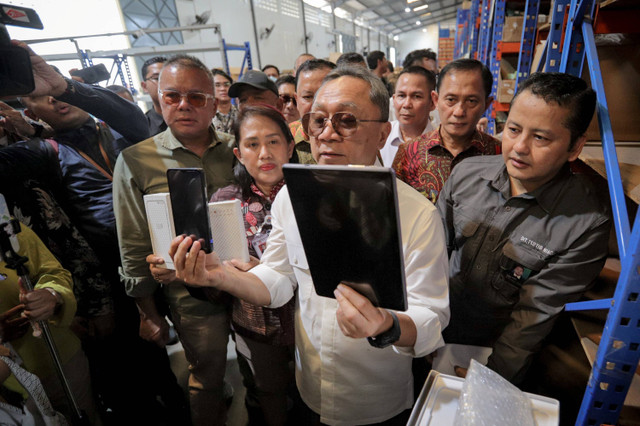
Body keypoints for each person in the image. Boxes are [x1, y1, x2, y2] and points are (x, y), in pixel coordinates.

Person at [170, 65, 449, 425]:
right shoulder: (291, 198)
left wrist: (386, 325)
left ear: (382, 133)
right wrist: (218, 276)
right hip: (311, 382)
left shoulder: (416, 214)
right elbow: (278, 278)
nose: (327, 134)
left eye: (346, 120)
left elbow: (433, 317)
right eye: (318, 121)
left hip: (374, 395)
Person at [9, 41, 188, 425]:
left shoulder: (119, 131)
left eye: (58, 92)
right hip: (109, 286)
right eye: (41, 97)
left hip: (165, 264)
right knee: (125, 380)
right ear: (28, 111)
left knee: (163, 367)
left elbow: (134, 117)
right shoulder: (46, 151)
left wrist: (63, 86)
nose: (55, 101)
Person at [436, 72, 610, 385]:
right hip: (434, 325)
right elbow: (431, 255)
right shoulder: (466, 175)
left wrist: (492, 377)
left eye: (540, 138)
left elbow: (532, 316)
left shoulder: (585, 224)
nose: (519, 147)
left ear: (574, 147)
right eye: (513, 129)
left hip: (491, 349)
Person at [113, 54, 236, 426]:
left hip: (250, 282)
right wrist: (147, 312)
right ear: (157, 99)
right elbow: (133, 243)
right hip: (189, 294)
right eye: (172, 96)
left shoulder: (239, 148)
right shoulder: (136, 160)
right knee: (207, 373)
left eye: (197, 97)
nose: (184, 105)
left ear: (214, 103)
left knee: (262, 368)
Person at [195, 105, 298, 425]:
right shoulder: (226, 202)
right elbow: (219, 267)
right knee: (268, 393)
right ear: (239, 153)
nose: (264, 153)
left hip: (307, 322)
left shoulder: (309, 195)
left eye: (273, 141)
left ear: (290, 147)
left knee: (314, 394)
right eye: (253, 144)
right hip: (255, 325)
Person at [0, 221, 98, 425]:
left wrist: (52, 294)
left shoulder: (8, 230)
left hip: (60, 360)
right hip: (12, 388)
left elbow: (54, 273)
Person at [393, 58, 501, 203]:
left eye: (471, 101)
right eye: (451, 99)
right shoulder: (408, 153)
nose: (459, 112)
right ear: (436, 100)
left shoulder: (499, 154)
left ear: (486, 105)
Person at [380, 66, 436, 167]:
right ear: (394, 99)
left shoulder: (441, 144)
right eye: (401, 96)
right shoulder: (380, 137)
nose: (406, 104)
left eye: (417, 96)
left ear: (432, 102)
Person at [289, 59, 336, 164]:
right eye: (308, 97)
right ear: (296, 100)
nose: (316, 105)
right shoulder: (285, 138)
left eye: (325, 95)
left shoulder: (354, 137)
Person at [140, 56, 167, 136]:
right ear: (145, 87)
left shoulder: (194, 117)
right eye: (157, 78)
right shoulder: (142, 129)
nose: (166, 83)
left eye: (170, 77)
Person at [212, 69, 237, 134]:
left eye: (226, 84)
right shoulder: (206, 116)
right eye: (217, 85)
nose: (223, 88)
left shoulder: (241, 114)